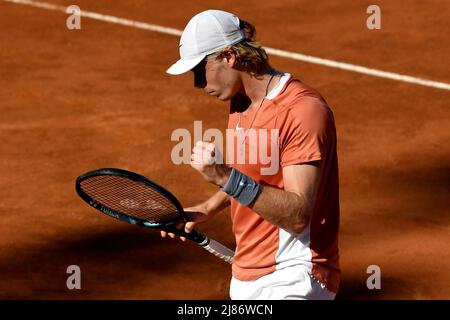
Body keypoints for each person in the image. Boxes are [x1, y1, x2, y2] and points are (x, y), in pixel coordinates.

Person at [163, 9, 340, 300]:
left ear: (229, 57)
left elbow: (298, 215)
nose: (197, 83)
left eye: (199, 70)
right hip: (248, 276)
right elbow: (255, 173)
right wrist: (208, 207)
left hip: (295, 278)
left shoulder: (302, 111)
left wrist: (225, 178)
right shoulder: (240, 103)